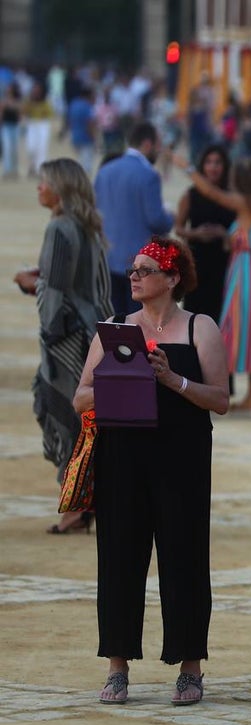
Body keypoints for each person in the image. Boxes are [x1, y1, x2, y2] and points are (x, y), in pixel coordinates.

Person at [72, 236, 229, 706]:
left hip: (181, 458)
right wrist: (126, 378)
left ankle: (190, 666)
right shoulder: (116, 329)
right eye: (133, 270)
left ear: (173, 277)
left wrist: (172, 379)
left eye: (145, 269)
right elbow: (80, 398)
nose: (135, 276)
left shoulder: (200, 328)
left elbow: (220, 399)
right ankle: (117, 665)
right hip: (123, 456)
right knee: (119, 557)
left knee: (184, 558)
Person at [13, 158, 113, 534]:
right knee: (87, 422)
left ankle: (76, 507)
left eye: (44, 181)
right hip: (95, 335)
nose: (39, 187)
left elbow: (54, 290)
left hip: (68, 341)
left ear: (61, 187)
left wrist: (30, 284)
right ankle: (88, 501)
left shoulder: (59, 227)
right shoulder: (88, 227)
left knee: (69, 420)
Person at [176, 153, 251, 410]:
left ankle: (247, 397)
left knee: (236, 327)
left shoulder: (248, 203)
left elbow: (213, 194)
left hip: (243, 271)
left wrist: (189, 167)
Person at [94, 121, 175, 315]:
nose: (158, 151)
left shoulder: (105, 171)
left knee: (113, 323)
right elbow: (156, 220)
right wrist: (171, 217)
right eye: (157, 146)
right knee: (137, 325)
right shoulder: (148, 175)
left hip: (107, 259)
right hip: (138, 263)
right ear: (147, 144)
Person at [174, 145, 235, 324]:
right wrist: (196, 233)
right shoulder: (191, 194)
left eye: (217, 162)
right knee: (193, 315)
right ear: (202, 166)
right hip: (197, 262)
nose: (213, 167)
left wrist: (224, 234)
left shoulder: (232, 197)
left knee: (220, 316)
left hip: (225, 263)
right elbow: (178, 228)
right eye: (209, 162)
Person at [22, 81, 53, 179]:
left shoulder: (46, 101)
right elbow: (24, 111)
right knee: (31, 147)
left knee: (42, 147)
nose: (36, 91)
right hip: (31, 124)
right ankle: (33, 165)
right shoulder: (28, 100)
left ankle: (40, 170)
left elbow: (50, 113)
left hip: (42, 125)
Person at [66, 86, 97, 176]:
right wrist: (94, 138)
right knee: (86, 166)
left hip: (75, 137)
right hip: (86, 138)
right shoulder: (87, 106)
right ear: (88, 96)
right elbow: (90, 124)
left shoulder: (73, 104)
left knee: (79, 162)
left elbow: (69, 121)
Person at [0, 82, 20, 179]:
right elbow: (1, 113)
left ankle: (14, 169)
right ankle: (7, 170)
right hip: (6, 126)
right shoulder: (4, 100)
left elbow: (20, 111)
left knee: (14, 149)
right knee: (7, 148)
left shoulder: (17, 100)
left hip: (15, 126)